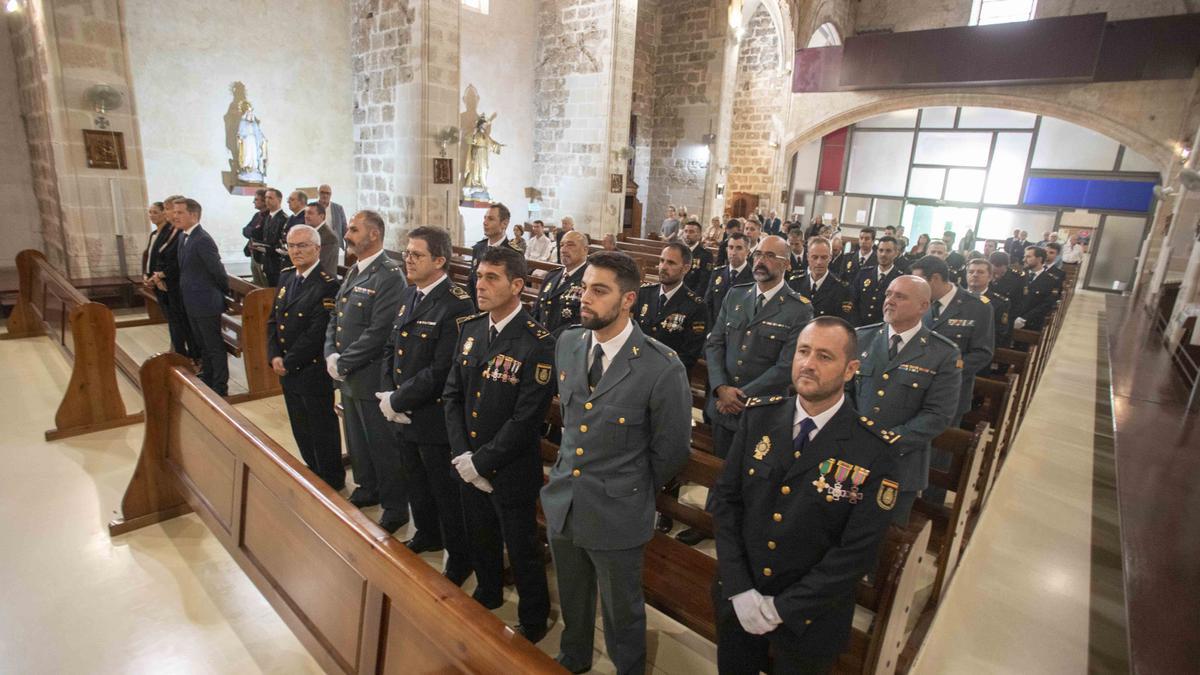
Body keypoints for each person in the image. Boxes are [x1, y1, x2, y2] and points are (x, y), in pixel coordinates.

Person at [711, 317, 900, 675]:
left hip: (811, 617)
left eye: (825, 356)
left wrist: (783, 608)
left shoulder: (874, 450)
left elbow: (856, 552)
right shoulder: (759, 418)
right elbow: (725, 502)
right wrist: (739, 588)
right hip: (741, 598)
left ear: (850, 370)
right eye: (803, 351)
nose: (808, 364)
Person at [542, 250, 692, 674]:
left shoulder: (661, 367)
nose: (584, 298)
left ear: (628, 300)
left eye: (599, 290)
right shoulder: (569, 342)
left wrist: (630, 488)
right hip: (565, 499)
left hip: (618, 510)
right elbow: (575, 422)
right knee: (573, 596)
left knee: (622, 611)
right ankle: (575, 659)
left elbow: (671, 451)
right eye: (585, 287)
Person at [444, 246, 555, 642]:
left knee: (521, 545)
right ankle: (489, 591)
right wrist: (462, 455)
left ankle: (534, 615)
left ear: (518, 286)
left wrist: (483, 462)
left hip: (510, 466)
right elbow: (453, 394)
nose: (481, 284)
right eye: (479, 276)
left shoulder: (537, 341)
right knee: (481, 533)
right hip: (468, 459)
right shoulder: (471, 329)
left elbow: (526, 418)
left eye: (492, 278)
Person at [680, 236, 813, 546]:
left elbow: (786, 366)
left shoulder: (798, 309)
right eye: (758, 254)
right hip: (724, 402)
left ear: (786, 264)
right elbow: (714, 343)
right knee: (720, 468)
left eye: (769, 256)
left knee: (757, 476)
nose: (760, 261)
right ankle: (710, 521)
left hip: (763, 409)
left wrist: (739, 395)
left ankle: (744, 534)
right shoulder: (736, 295)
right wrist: (721, 388)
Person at [378, 226, 475, 584]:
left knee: (443, 489)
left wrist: (399, 399)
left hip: (432, 416)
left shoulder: (457, 303)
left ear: (439, 260)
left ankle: (459, 556)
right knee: (415, 480)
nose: (408, 259)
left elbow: (442, 368)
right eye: (406, 253)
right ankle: (427, 534)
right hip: (402, 411)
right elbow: (392, 346)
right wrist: (388, 395)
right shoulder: (410, 294)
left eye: (416, 254)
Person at [851, 275, 961, 524]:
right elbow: (844, 392)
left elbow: (938, 415)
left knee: (882, 544)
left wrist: (885, 441)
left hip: (900, 464)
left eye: (900, 296)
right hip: (852, 453)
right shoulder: (862, 338)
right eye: (889, 294)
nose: (889, 301)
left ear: (924, 306)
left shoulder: (942, 353)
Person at [324, 210, 409, 531]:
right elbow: (337, 316)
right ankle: (368, 487)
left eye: (354, 229)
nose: (347, 234)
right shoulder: (356, 271)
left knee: (381, 444)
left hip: (370, 374)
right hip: (348, 374)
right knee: (357, 439)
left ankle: (395, 505)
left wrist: (342, 363)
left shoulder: (389, 275)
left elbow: (379, 331)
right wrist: (331, 353)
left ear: (374, 235)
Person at [268, 225, 342, 489]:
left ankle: (331, 479)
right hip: (287, 368)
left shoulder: (328, 285)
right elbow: (273, 320)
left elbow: (317, 332)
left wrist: (287, 362)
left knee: (321, 427)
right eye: (291, 246)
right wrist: (274, 354)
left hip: (311, 369)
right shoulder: (287, 277)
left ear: (317, 249)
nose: (296, 251)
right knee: (300, 425)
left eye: (302, 245)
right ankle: (313, 471)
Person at [910, 255, 993, 427]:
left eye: (919, 282)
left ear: (935, 279)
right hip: (914, 389)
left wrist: (945, 371)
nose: (915, 289)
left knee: (939, 450)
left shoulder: (977, 307)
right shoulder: (921, 302)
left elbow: (982, 353)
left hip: (950, 393)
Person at [174, 198, 230, 396]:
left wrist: (224, 293)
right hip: (191, 301)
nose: (175, 216)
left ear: (193, 215)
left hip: (206, 301)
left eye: (180, 212)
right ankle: (208, 376)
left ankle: (220, 385)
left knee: (213, 345)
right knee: (201, 344)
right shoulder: (184, 237)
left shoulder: (202, 239)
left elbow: (217, 270)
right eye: (175, 212)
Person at [635, 243, 708, 371]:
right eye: (661, 261)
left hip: (669, 376)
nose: (663, 267)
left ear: (685, 268)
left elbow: (689, 355)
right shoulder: (644, 294)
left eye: (671, 263)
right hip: (638, 369)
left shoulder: (696, 306)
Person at [534, 230, 589, 335]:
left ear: (585, 250)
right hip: (540, 341)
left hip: (567, 343)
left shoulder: (588, 279)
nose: (563, 250)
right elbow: (536, 311)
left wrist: (549, 341)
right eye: (562, 245)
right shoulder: (552, 276)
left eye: (570, 245)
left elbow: (582, 322)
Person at [788, 236, 854, 322]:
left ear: (830, 257)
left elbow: (841, 323)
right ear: (808, 257)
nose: (819, 262)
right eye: (815, 257)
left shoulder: (842, 289)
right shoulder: (795, 283)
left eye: (824, 257)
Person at [469, 203, 523, 299]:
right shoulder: (479, 248)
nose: (485, 222)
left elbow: (514, 292)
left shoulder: (513, 253)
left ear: (504, 223)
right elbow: (471, 283)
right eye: (484, 218)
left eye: (490, 219)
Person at [851, 236, 901, 327]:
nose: (883, 254)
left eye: (888, 251)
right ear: (876, 251)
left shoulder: (899, 278)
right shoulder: (864, 273)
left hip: (883, 328)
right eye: (881, 250)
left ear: (896, 253)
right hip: (858, 326)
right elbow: (853, 300)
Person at [704, 232, 753, 320]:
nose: (733, 252)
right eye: (730, 247)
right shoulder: (717, 273)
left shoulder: (754, 277)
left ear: (748, 252)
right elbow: (708, 304)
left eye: (739, 248)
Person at [966, 257, 1011, 349]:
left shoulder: (999, 303)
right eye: (971, 272)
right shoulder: (955, 297)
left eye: (980, 272)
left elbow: (998, 334)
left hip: (979, 352)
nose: (975, 275)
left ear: (990, 277)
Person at [1012, 246, 1060, 332]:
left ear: (1039, 259)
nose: (1024, 260)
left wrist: (1024, 319)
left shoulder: (1051, 281)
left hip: (1032, 323)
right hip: (1012, 319)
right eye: (1024, 256)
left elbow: (1047, 304)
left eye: (1028, 257)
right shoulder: (1017, 275)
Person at [262, 188, 290, 286]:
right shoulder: (268, 217)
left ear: (279, 200)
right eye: (266, 197)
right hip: (268, 264)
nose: (267, 200)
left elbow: (282, 243)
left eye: (270, 198)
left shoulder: (284, 219)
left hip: (278, 264)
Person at [241, 188, 270, 286]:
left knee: (265, 286)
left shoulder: (269, 217)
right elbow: (245, 230)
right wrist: (252, 231)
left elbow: (258, 233)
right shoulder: (256, 215)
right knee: (256, 286)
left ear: (264, 201)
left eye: (256, 199)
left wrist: (252, 231)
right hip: (253, 254)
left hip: (263, 257)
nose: (253, 201)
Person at [304, 202, 339, 277]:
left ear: (322, 216)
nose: (306, 216)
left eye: (310, 213)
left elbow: (319, 263)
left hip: (322, 280)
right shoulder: (310, 232)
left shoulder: (329, 237)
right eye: (305, 213)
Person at [681, 219, 715, 293]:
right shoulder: (679, 251)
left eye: (691, 232)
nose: (687, 234)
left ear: (699, 235)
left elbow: (704, 282)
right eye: (685, 231)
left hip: (693, 295)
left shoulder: (706, 255)